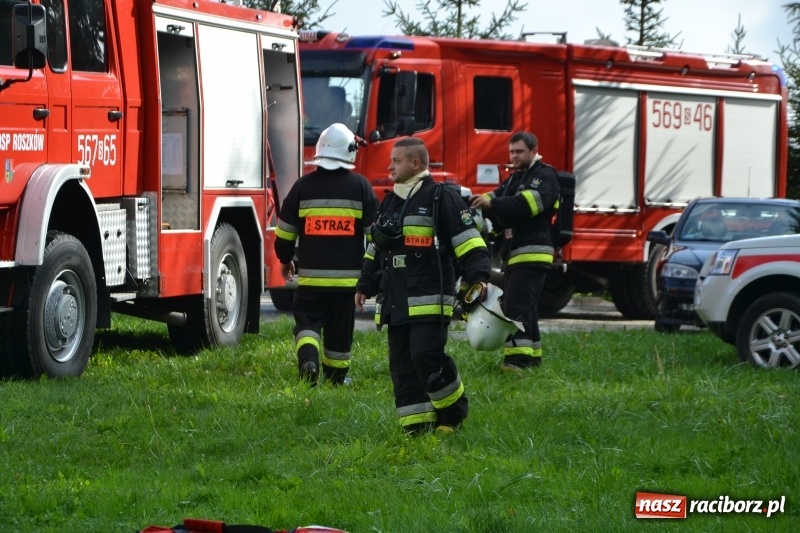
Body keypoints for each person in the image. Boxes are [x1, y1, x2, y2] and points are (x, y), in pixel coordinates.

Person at [355, 138, 491, 434]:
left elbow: (471, 243)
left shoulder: (442, 198)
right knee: (402, 366)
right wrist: (364, 283)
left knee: (425, 358)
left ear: (416, 163)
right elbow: (374, 248)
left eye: (396, 161)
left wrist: (478, 279)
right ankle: (416, 430)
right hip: (395, 301)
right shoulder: (390, 202)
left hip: (429, 300)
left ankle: (452, 414)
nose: (389, 166)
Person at [274, 123, 378, 384]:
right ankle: (336, 377)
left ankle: (308, 361)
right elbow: (374, 238)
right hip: (346, 284)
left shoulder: (302, 187)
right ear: (349, 152)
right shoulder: (361, 187)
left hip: (311, 280)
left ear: (319, 152)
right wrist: (371, 276)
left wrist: (285, 260)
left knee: (307, 324)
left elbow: (284, 233)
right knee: (340, 330)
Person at [469, 131, 560, 370]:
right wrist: (479, 200)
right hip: (516, 253)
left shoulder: (544, 176)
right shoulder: (515, 178)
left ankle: (517, 362)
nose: (514, 156)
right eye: (511, 152)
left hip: (533, 251)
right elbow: (497, 195)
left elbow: (526, 205)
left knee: (515, 307)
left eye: (519, 151)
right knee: (526, 306)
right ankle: (533, 357)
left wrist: (493, 204)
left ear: (533, 150)